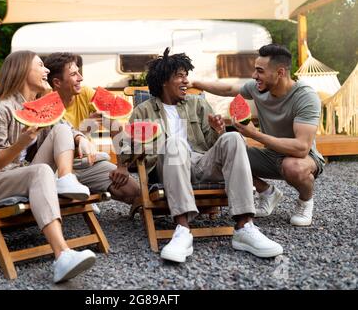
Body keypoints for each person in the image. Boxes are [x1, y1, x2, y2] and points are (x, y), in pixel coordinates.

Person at [122, 47, 283, 263]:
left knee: (233, 138)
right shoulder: (143, 111)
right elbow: (127, 146)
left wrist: (218, 131)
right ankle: (182, 230)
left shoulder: (197, 103)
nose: (186, 81)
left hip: (200, 164)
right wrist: (123, 164)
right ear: (163, 81)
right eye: (180, 76)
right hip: (167, 167)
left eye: (186, 75)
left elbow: (212, 146)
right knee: (175, 144)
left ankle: (245, 227)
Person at [0, 50, 97, 283]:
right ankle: (62, 254)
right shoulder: (0, 109)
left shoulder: (40, 105)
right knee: (42, 171)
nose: (46, 71)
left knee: (63, 129)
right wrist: (22, 142)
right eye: (41, 65)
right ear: (23, 70)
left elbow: (66, 127)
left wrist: (81, 138)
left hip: (26, 170)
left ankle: (65, 178)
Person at [191, 43, 325, 226]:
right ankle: (267, 193)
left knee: (293, 167)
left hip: (303, 158)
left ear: (280, 72)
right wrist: (194, 83)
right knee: (221, 156)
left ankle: (305, 201)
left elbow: (301, 148)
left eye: (260, 71)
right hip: (270, 155)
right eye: (255, 70)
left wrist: (255, 135)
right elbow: (228, 90)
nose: (255, 76)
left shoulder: (305, 97)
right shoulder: (257, 88)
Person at [44, 52, 140, 205]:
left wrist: (122, 166)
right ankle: (81, 190)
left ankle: (87, 188)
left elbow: (114, 126)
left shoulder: (85, 93)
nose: (80, 78)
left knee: (133, 192)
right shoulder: (45, 104)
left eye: (79, 73)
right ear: (57, 82)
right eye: (74, 74)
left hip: (87, 163)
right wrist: (83, 130)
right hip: (57, 168)